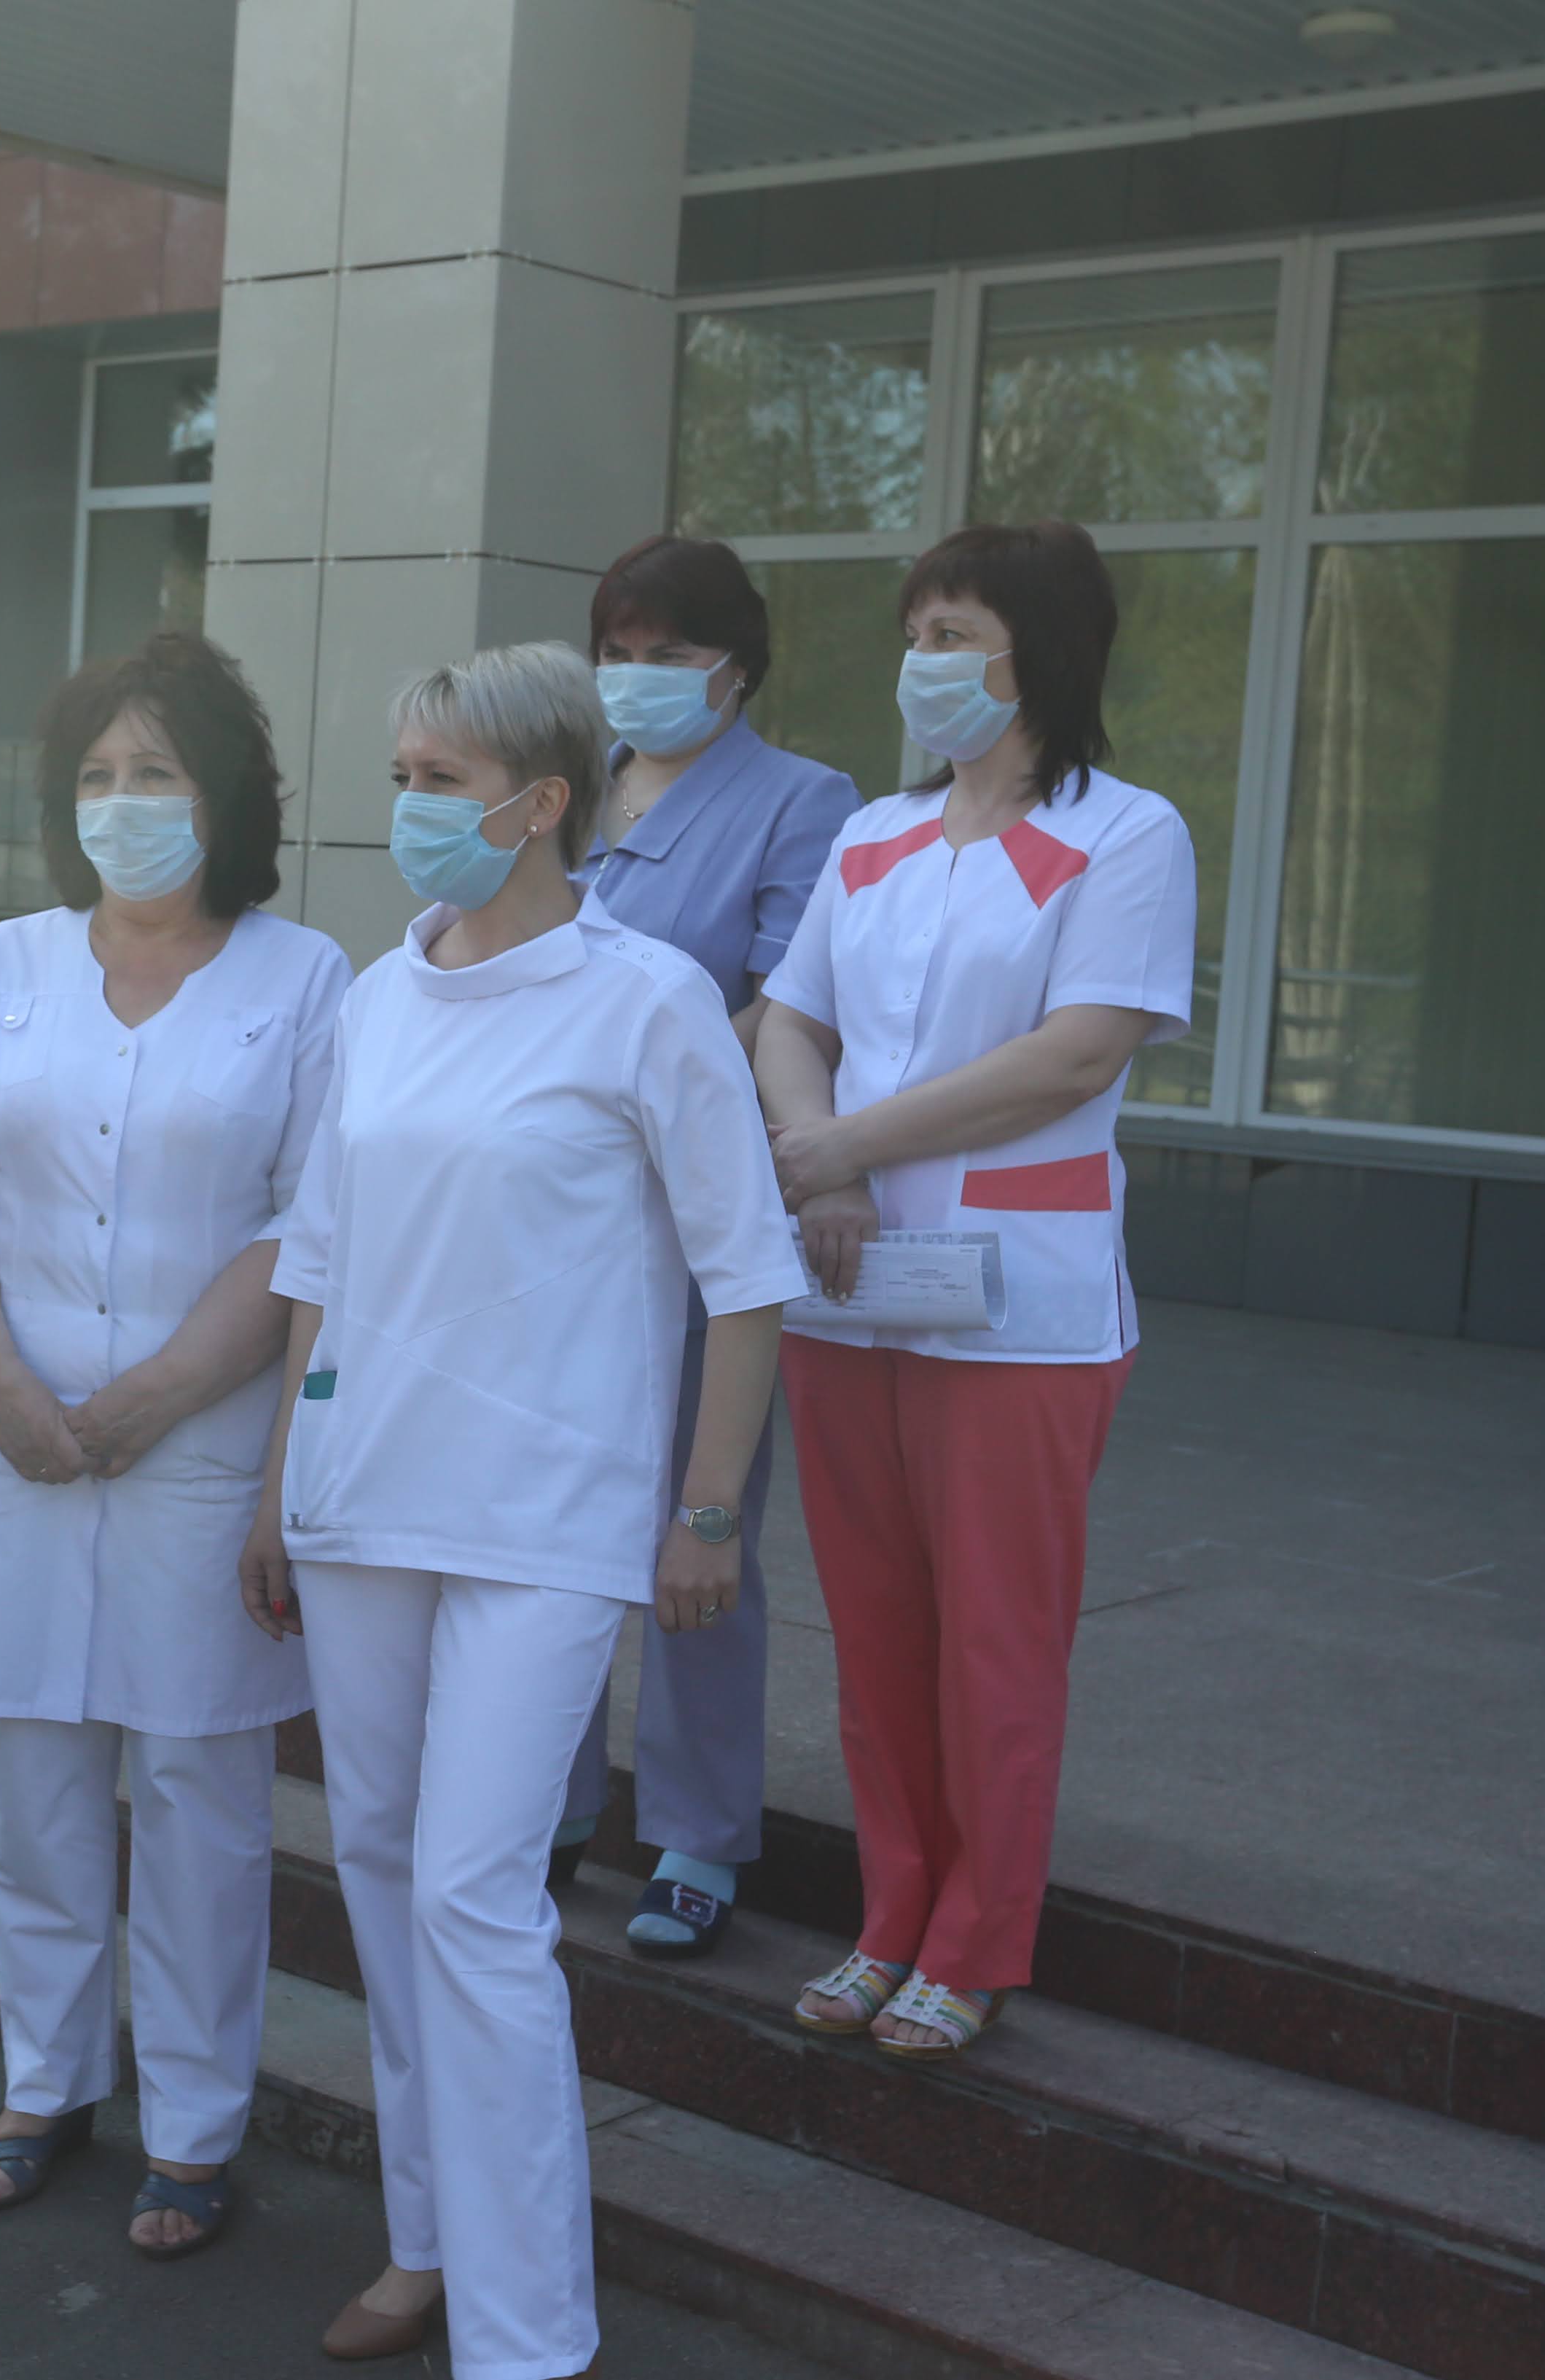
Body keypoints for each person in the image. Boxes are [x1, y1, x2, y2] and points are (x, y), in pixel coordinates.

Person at [243, 643, 807, 2377]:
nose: (406, 805)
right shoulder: (378, 993)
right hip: (363, 1500)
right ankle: (426, 2238)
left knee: (477, 1901)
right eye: (402, 773)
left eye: (438, 777)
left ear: (540, 800)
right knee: (384, 1872)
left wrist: (705, 1513)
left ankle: (527, 2331)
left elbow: (745, 1273)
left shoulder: (646, 999)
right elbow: (317, 1261)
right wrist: (279, 1488)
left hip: (548, 1518)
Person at [0, 632, 346, 2258]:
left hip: (198, 1447)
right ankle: (44, 2083)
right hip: (14, 1443)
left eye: (156, 771)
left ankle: (196, 2123)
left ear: (225, 797)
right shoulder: (8, 961)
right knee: (33, 1798)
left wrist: (159, 1390)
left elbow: (310, 1225)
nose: (124, 801)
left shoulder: (304, 978)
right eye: (96, 774)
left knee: (201, 1804)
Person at [756, 520, 1197, 2061]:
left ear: (1042, 653)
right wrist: (830, 1170)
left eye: (954, 634)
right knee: (875, 1634)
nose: (923, 663)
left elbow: (1074, 1054)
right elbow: (789, 1019)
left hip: (1018, 1314)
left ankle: (975, 1939)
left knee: (994, 1642)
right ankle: (890, 1917)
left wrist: (844, 1145)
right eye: (916, 634)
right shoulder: (870, 837)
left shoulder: (1124, 834)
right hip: (845, 1285)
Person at [553, 534, 861, 1959]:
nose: (639, 678)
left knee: (700, 1511)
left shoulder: (801, 801)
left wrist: (636, 1072)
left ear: (737, 665)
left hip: (688, 1206)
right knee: (546, 1523)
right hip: (546, 1212)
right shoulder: (567, 783)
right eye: (618, 653)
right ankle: (550, 1800)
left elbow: (793, 998)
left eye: (670, 655)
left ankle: (695, 1830)